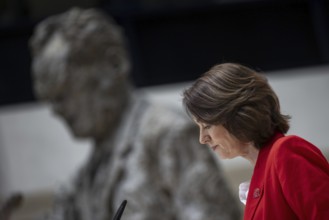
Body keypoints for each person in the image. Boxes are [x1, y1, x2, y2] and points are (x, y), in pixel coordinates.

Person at [29, 8, 242, 220]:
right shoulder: (85, 177)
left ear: (113, 64)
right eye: (51, 98)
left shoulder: (166, 134)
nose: (56, 109)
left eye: (64, 90)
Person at [182, 62, 329, 220]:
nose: (202, 139)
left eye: (208, 125)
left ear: (237, 115)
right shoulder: (263, 173)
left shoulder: (285, 151)